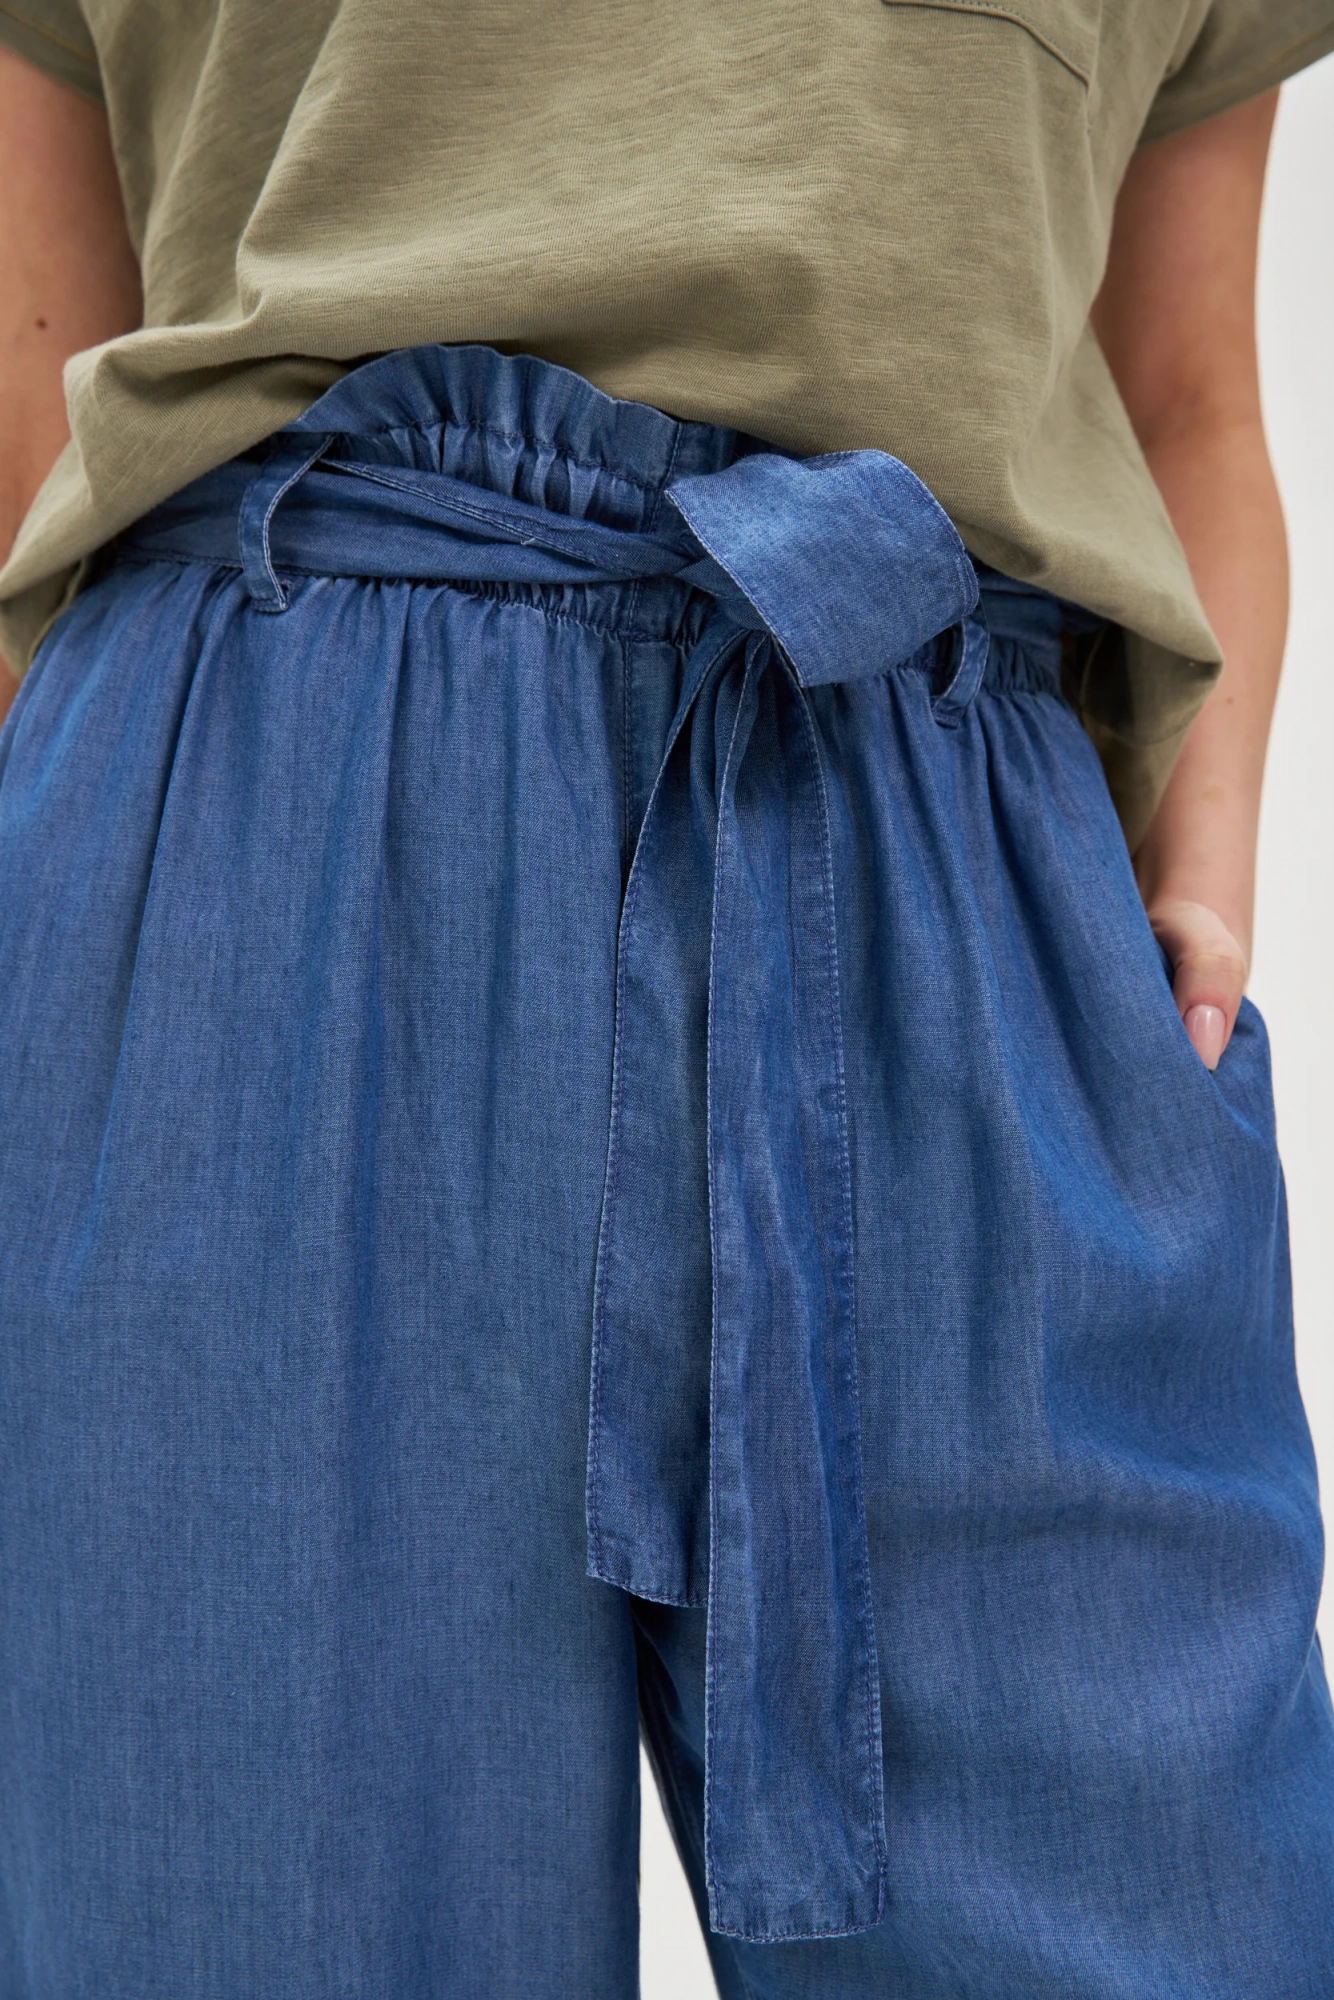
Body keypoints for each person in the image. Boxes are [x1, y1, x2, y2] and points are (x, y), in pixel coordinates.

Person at [1, 3, 1332, 1994]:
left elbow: (1183, 383)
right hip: (263, 828)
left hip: (934, 818)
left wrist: (1200, 863)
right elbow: (55, 362)